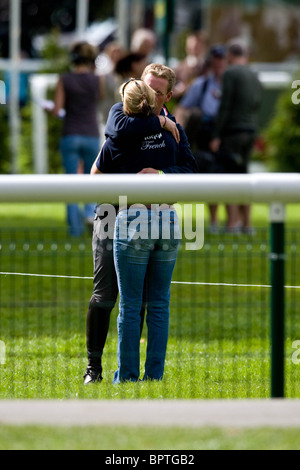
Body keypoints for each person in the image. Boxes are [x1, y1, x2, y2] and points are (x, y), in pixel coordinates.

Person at [83, 64, 197, 384]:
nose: (147, 96)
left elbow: (190, 171)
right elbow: (107, 153)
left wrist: (158, 176)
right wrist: (158, 120)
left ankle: (136, 374)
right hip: (110, 213)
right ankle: (94, 367)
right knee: (106, 294)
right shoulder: (121, 114)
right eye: (144, 88)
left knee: (142, 299)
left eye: (156, 93)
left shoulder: (173, 128)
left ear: (168, 96)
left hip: (151, 218)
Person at [52, 41, 106, 237]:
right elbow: (100, 97)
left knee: (70, 183)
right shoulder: (97, 80)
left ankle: (74, 229)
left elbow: (57, 109)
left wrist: (50, 108)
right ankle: (90, 215)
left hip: (70, 134)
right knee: (92, 181)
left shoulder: (64, 79)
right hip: (91, 133)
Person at [210, 42, 262, 233]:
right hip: (250, 131)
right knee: (244, 176)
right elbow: (257, 103)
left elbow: (225, 106)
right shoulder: (254, 74)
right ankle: (247, 224)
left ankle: (231, 224)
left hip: (233, 132)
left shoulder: (230, 74)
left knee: (229, 177)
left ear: (230, 56)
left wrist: (216, 135)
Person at [174, 45, 227, 232]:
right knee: (211, 176)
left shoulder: (230, 85)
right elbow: (183, 108)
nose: (219, 63)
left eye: (222, 59)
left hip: (226, 134)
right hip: (205, 135)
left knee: (229, 178)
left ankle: (233, 222)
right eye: (216, 59)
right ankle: (213, 221)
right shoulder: (201, 84)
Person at [173, 31, 208, 101]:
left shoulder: (209, 67)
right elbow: (172, 92)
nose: (195, 49)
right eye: (192, 47)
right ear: (187, 47)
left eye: (197, 46)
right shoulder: (179, 68)